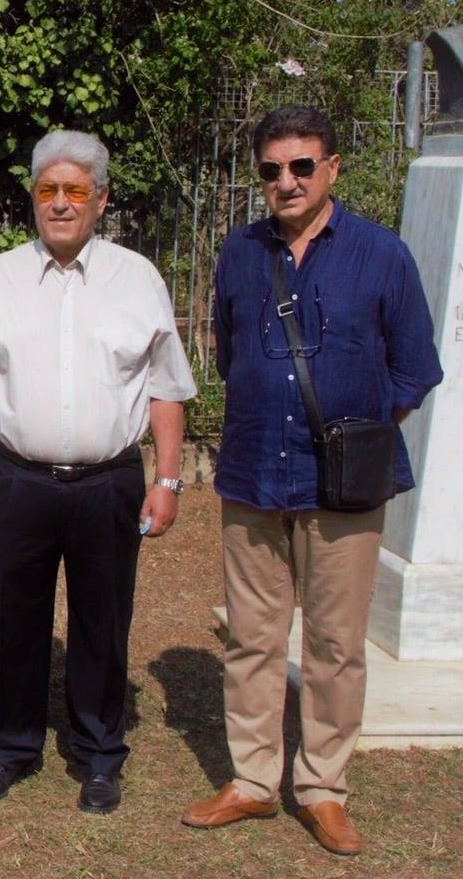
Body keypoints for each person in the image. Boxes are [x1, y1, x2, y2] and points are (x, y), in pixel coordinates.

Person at [182, 106, 441, 855]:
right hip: (254, 472)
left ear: (332, 168)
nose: (286, 181)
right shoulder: (240, 253)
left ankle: (324, 788)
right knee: (252, 637)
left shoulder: (382, 254)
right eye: (271, 169)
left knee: (334, 643)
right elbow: (231, 354)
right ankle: (253, 781)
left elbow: (414, 367)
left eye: (301, 166)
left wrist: (357, 430)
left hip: (344, 485)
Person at [0, 130, 195, 815]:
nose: (60, 203)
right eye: (47, 190)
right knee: (12, 620)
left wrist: (167, 480)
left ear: (102, 199)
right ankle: (9, 749)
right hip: (17, 480)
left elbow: (166, 389)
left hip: (107, 484)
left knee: (102, 623)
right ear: (33, 198)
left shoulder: (137, 279)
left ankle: (98, 755)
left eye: (75, 190)